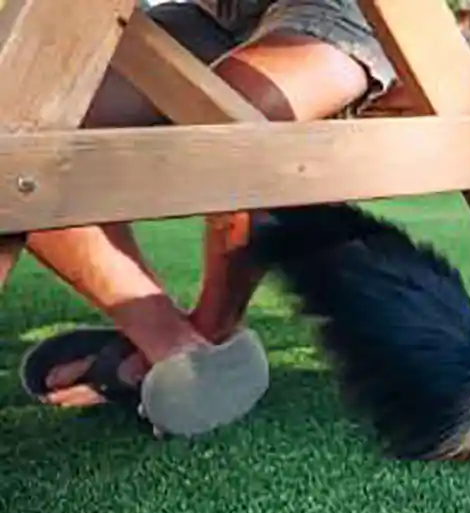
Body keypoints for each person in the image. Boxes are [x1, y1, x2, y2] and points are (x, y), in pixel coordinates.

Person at [18, 0, 398, 437]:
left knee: (224, 122)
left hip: (343, 7)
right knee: (23, 115)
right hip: (209, 14)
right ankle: (171, 344)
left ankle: (210, 329)